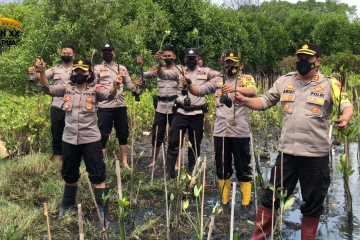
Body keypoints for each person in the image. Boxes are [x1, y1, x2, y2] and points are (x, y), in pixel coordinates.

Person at [233, 43, 353, 240]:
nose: (302, 62)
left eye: (308, 59)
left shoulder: (331, 84)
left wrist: (345, 119)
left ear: (318, 61)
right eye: (299, 58)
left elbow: (347, 106)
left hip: (315, 156)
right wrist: (244, 100)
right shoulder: (285, 81)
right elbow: (264, 101)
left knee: (312, 204)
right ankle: (259, 237)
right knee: (270, 199)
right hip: (287, 155)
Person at [37, 58, 122, 227]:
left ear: (89, 73)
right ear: (73, 73)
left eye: (83, 71)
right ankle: (67, 207)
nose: (79, 74)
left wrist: (116, 84)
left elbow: (110, 94)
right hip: (69, 140)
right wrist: (41, 72)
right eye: (76, 71)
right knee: (69, 175)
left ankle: (102, 212)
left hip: (91, 139)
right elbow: (47, 89)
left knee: (98, 176)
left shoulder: (95, 89)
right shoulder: (66, 88)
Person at [184, 51, 257, 208]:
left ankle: (246, 202)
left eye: (233, 64)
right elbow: (199, 91)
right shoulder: (217, 80)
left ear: (241, 65)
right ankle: (224, 201)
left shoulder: (246, 79)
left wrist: (233, 89)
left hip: (240, 131)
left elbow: (253, 91)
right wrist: (189, 84)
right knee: (222, 166)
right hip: (221, 131)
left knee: (243, 166)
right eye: (227, 64)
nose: (230, 67)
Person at [156, 48, 221, 180]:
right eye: (189, 58)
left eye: (194, 58)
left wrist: (210, 82)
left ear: (198, 59)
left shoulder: (206, 71)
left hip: (197, 113)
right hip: (180, 112)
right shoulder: (178, 71)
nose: (191, 60)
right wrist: (159, 63)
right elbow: (163, 74)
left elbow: (220, 76)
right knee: (173, 142)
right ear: (185, 59)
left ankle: (192, 170)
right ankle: (170, 173)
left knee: (195, 143)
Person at [94, 44, 142, 170]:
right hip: (105, 106)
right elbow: (94, 85)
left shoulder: (122, 68)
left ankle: (125, 162)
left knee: (123, 134)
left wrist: (136, 86)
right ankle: (101, 164)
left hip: (120, 105)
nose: (107, 54)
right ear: (101, 54)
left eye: (109, 51)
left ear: (114, 54)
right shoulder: (97, 68)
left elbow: (129, 85)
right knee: (103, 134)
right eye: (104, 52)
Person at [28, 43, 75, 162]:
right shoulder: (55, 69)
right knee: (57, 135)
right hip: (57, 106)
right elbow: (42, 77)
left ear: (73, 55)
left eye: (68, 54)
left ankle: (72, 160)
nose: (66, 55)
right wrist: (35, 72)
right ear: (60, 54)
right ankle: (57, 161)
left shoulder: (78, 69)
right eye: (64, 53)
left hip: (73, 107)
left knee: (73, 134)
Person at [136, 46, 179, 167]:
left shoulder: (178, 70)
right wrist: (140, 65)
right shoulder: (158, 69)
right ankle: (154, 160)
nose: (167, 58)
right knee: (157, 134)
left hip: (175, 105)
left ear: (174, 57)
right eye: (164, 56)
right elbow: (143, 75)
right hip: (161, 106)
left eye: (169, 56)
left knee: (175, 135)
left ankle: (175, 163)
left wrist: (159, 62)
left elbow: (166, 74)